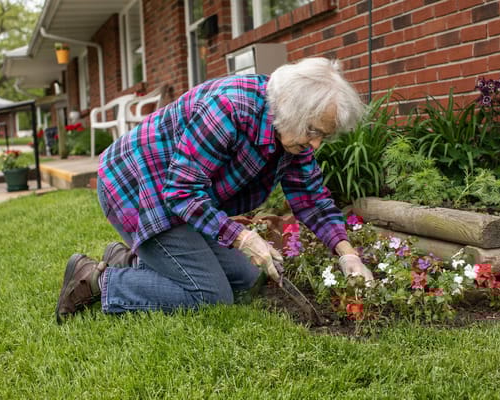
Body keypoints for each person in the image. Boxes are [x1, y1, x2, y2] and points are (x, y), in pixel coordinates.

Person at [55, 57, 375, 323]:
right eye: (313, 131)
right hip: (137, 190)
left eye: (322, 135)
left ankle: (127, 259)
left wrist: (347, 255)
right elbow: (181, 191)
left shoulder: (293, 134)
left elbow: (312, 199)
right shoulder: (230, 108)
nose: (316, 143)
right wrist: (242, 237)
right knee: (210, 295)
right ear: (292, 107)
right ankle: (96, 280)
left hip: (182, 197)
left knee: (248, 278)